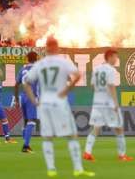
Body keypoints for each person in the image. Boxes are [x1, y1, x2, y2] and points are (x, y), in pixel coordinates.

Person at [24, 37, 95, 178]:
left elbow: (26, 82)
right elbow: (78, 75)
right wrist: (67, 89)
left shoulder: (40, 64)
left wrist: (34, 100)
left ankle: (51, 170)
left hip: (44, 103)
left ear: (46, 48)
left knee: (47, 138)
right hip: (59, 102)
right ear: (57, 47)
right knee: (72, 136)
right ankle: (78, 169)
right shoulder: (63, 62)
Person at [83, 49, 133, 162]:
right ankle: (122, 155)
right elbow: (111, 87)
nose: (116, 59)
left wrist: (99, 94)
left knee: (95, 128)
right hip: (109, 104)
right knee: (119, 128)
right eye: (115, 57)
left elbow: (92, 86)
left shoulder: (96, 69)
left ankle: (87, 152)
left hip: (97, 104)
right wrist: (115, 103)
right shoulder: (111, 70)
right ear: (109, 57)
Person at [14, 51, 39, 153]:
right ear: (36, 58)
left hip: (23, 97)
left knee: (25, 121)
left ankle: (25, 142)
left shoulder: (23, 69)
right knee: (31, 121)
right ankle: (26, 146)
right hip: (31, 97)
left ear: (27, 59)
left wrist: (16, 99)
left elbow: (16, 85)